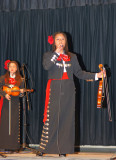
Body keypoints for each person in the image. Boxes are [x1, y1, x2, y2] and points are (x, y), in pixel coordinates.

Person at [37, 32, 105, 156]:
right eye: (58, 39)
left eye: (62, 39)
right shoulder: (48, 55)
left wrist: (97, 75)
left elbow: (80, 73)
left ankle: (62, 149)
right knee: (51, 118)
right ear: (54, 42)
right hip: (55, 88)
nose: (60, 41)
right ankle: (45, 148)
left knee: (66, 120)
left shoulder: (72, 56)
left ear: (66, 41)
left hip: (69, 89)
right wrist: (57, 53)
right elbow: (47, 66)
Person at [0, 60, 24, 151]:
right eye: (10, 66)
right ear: (8, 68)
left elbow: (22, 93)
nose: (12, 68)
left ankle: (14, 146)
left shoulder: (20, 79)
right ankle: (4, 145)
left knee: (14, 124)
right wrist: (4, 94)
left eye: (14, 66)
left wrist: (21, 92)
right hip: (5, 103)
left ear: (17, 68)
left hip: (15, 103)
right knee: (5, 124)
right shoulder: (3, 78)